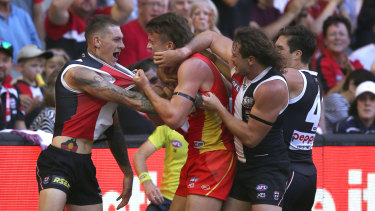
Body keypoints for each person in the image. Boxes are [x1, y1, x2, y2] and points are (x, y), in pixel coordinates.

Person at [149, 26, 289, 211]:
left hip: (266, 166)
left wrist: (220, 109)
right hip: (242, 165)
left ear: (251, 60)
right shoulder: (242, 68)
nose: (230, 59)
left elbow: (251, 138)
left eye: (235, 55)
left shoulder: (271, 87)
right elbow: (211, 37)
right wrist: (182, 52)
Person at [35, 15, 155, 211]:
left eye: (123, 39)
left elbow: (113, 130)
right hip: (60, 160)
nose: (123, 45)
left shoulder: (113, 77)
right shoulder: (78, 71)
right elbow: (131, 99)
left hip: (84, 163)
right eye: (117, 39)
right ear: (97, 41)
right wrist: (180, 104)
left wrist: (126, 173)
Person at [133, 12, 235, 211]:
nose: (148, 46)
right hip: (196, 155)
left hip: (214, 156)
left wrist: (146, 88)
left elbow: (173, 118)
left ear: (169, 46)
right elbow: (162, 123)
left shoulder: (191, 65)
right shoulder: (178, 68)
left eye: (152, 41)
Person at [274, 25, 321, 211]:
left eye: (279, 49)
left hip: (288, 171)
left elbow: (253, 76)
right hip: (308, 172)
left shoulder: (291, 77)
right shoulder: (314, 80)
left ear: (297, 54)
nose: (273, 52)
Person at [45, 0, 134, 59]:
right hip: (65, 81)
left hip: (99, 82)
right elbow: (57, 6)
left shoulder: (103, 17)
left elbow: (127, 8)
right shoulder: (64, 17)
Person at [133, 125, 188, 211]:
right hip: (166, 199)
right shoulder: (170, 125)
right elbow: (139, 155)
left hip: (198, 199)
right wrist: (146, 182)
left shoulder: (211, 127)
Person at [313, 15, 363, 94]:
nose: (337, 38)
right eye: (333, 34)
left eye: (342, 34)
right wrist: (350, 75)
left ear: (349, 39)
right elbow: (329, 96)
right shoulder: (321, 62)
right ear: (325, 40)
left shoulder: (355, 62)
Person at [117, 0, 168, 67]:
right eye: (151, 4)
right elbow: (130, 70)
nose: (155, 8)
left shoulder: (167, 31)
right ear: (140, 7)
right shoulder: (127, 31)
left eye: (159, 5)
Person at [13, 44, 53, 128]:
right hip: (28, 128)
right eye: (34, 65)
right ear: (21, 67)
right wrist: (32, 107)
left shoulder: (43, 88)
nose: (38, 70)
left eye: (41, 66)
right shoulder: (16, 88)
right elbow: (16, 117)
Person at [324, 69, 375, 133]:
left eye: (372, 99)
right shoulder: (334, 98)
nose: (367, 103)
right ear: (351, 85)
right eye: (362, 98)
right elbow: (350, 121)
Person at [0, 40, 27, 130]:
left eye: (5, 60)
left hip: (9, 142)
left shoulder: (13, 91)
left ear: (11, 64)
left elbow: (21, 128)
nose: (1, 65)